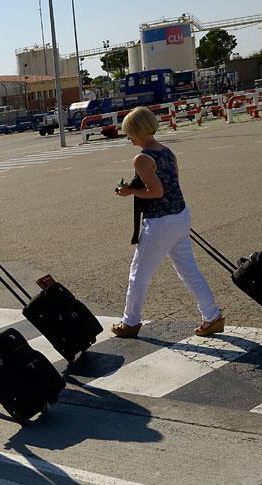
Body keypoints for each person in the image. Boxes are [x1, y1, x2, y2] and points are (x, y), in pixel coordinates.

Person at [112, 106, 223, 338]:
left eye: (129, 133)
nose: (128, 138)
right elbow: (170, 186)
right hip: (180, 216)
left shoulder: (142, 158)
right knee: (189, 271)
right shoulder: (166, 151)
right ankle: (212, 316)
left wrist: (129, 193)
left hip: (160, 222)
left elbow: (156, 192)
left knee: (138, 273)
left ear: (137, 131)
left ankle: (130, 322)